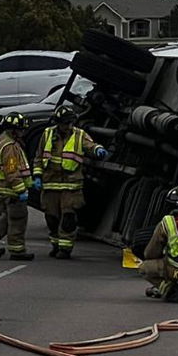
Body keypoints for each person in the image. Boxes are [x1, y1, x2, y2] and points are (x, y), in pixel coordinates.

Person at [32, 106, 107, 259]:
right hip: (50, 184)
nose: (69, 126)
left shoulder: (79, 135)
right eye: (65, 123)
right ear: (58, 123)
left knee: (68, 218)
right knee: (51, 218)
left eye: (71, 123)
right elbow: (39, 157)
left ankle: (65, 249)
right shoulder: (47, 134)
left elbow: (90, 145)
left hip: (71, 185)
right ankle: (56, 244)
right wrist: (37, 176)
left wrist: (98, 150)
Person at [0, 112, 35, 261]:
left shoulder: (3, 140)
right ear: (13, 130)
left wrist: (30, 183)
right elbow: (11, 170)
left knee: (5, 221)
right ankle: (17, 251)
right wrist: (21, 190)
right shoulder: (10, 146)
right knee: (18, 220)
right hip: (11, 192)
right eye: (20, 129)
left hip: (3, 190)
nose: (22, 133)